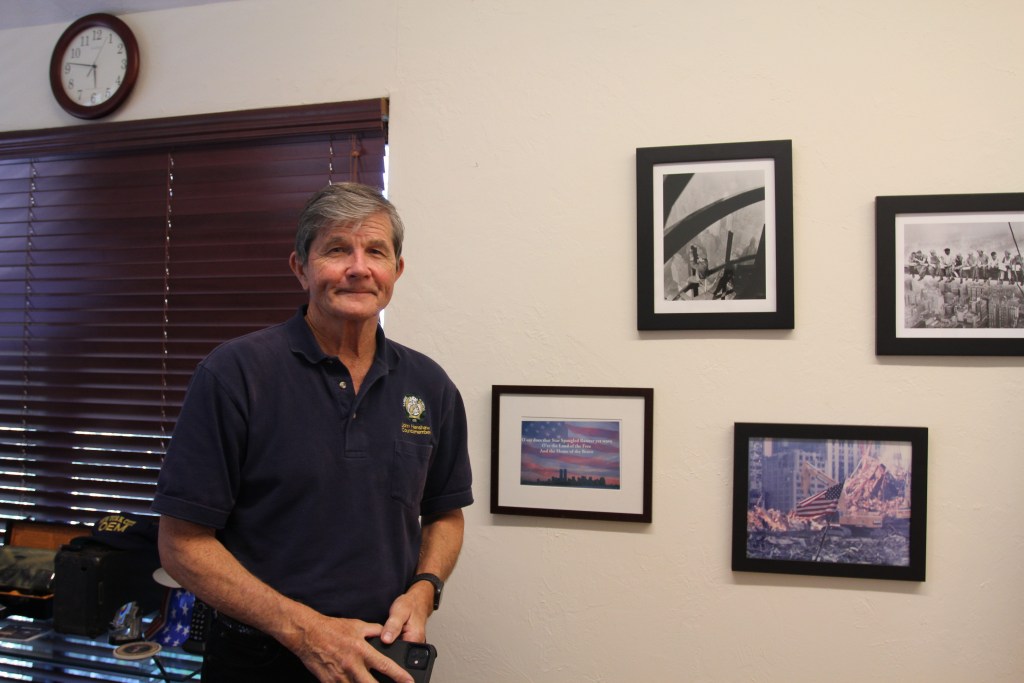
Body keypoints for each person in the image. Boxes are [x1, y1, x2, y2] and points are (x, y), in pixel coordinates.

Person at [152, 183, 474, 683]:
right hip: (258, 660)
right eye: (337, 249)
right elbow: (181, 545)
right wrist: (307, 633)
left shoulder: (430, 385)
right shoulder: (235, 374)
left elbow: (444, 513)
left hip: (381, 655)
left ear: (396, 270)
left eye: (375, 252)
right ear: (300, 267)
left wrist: (425, 588)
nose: (358, 268)